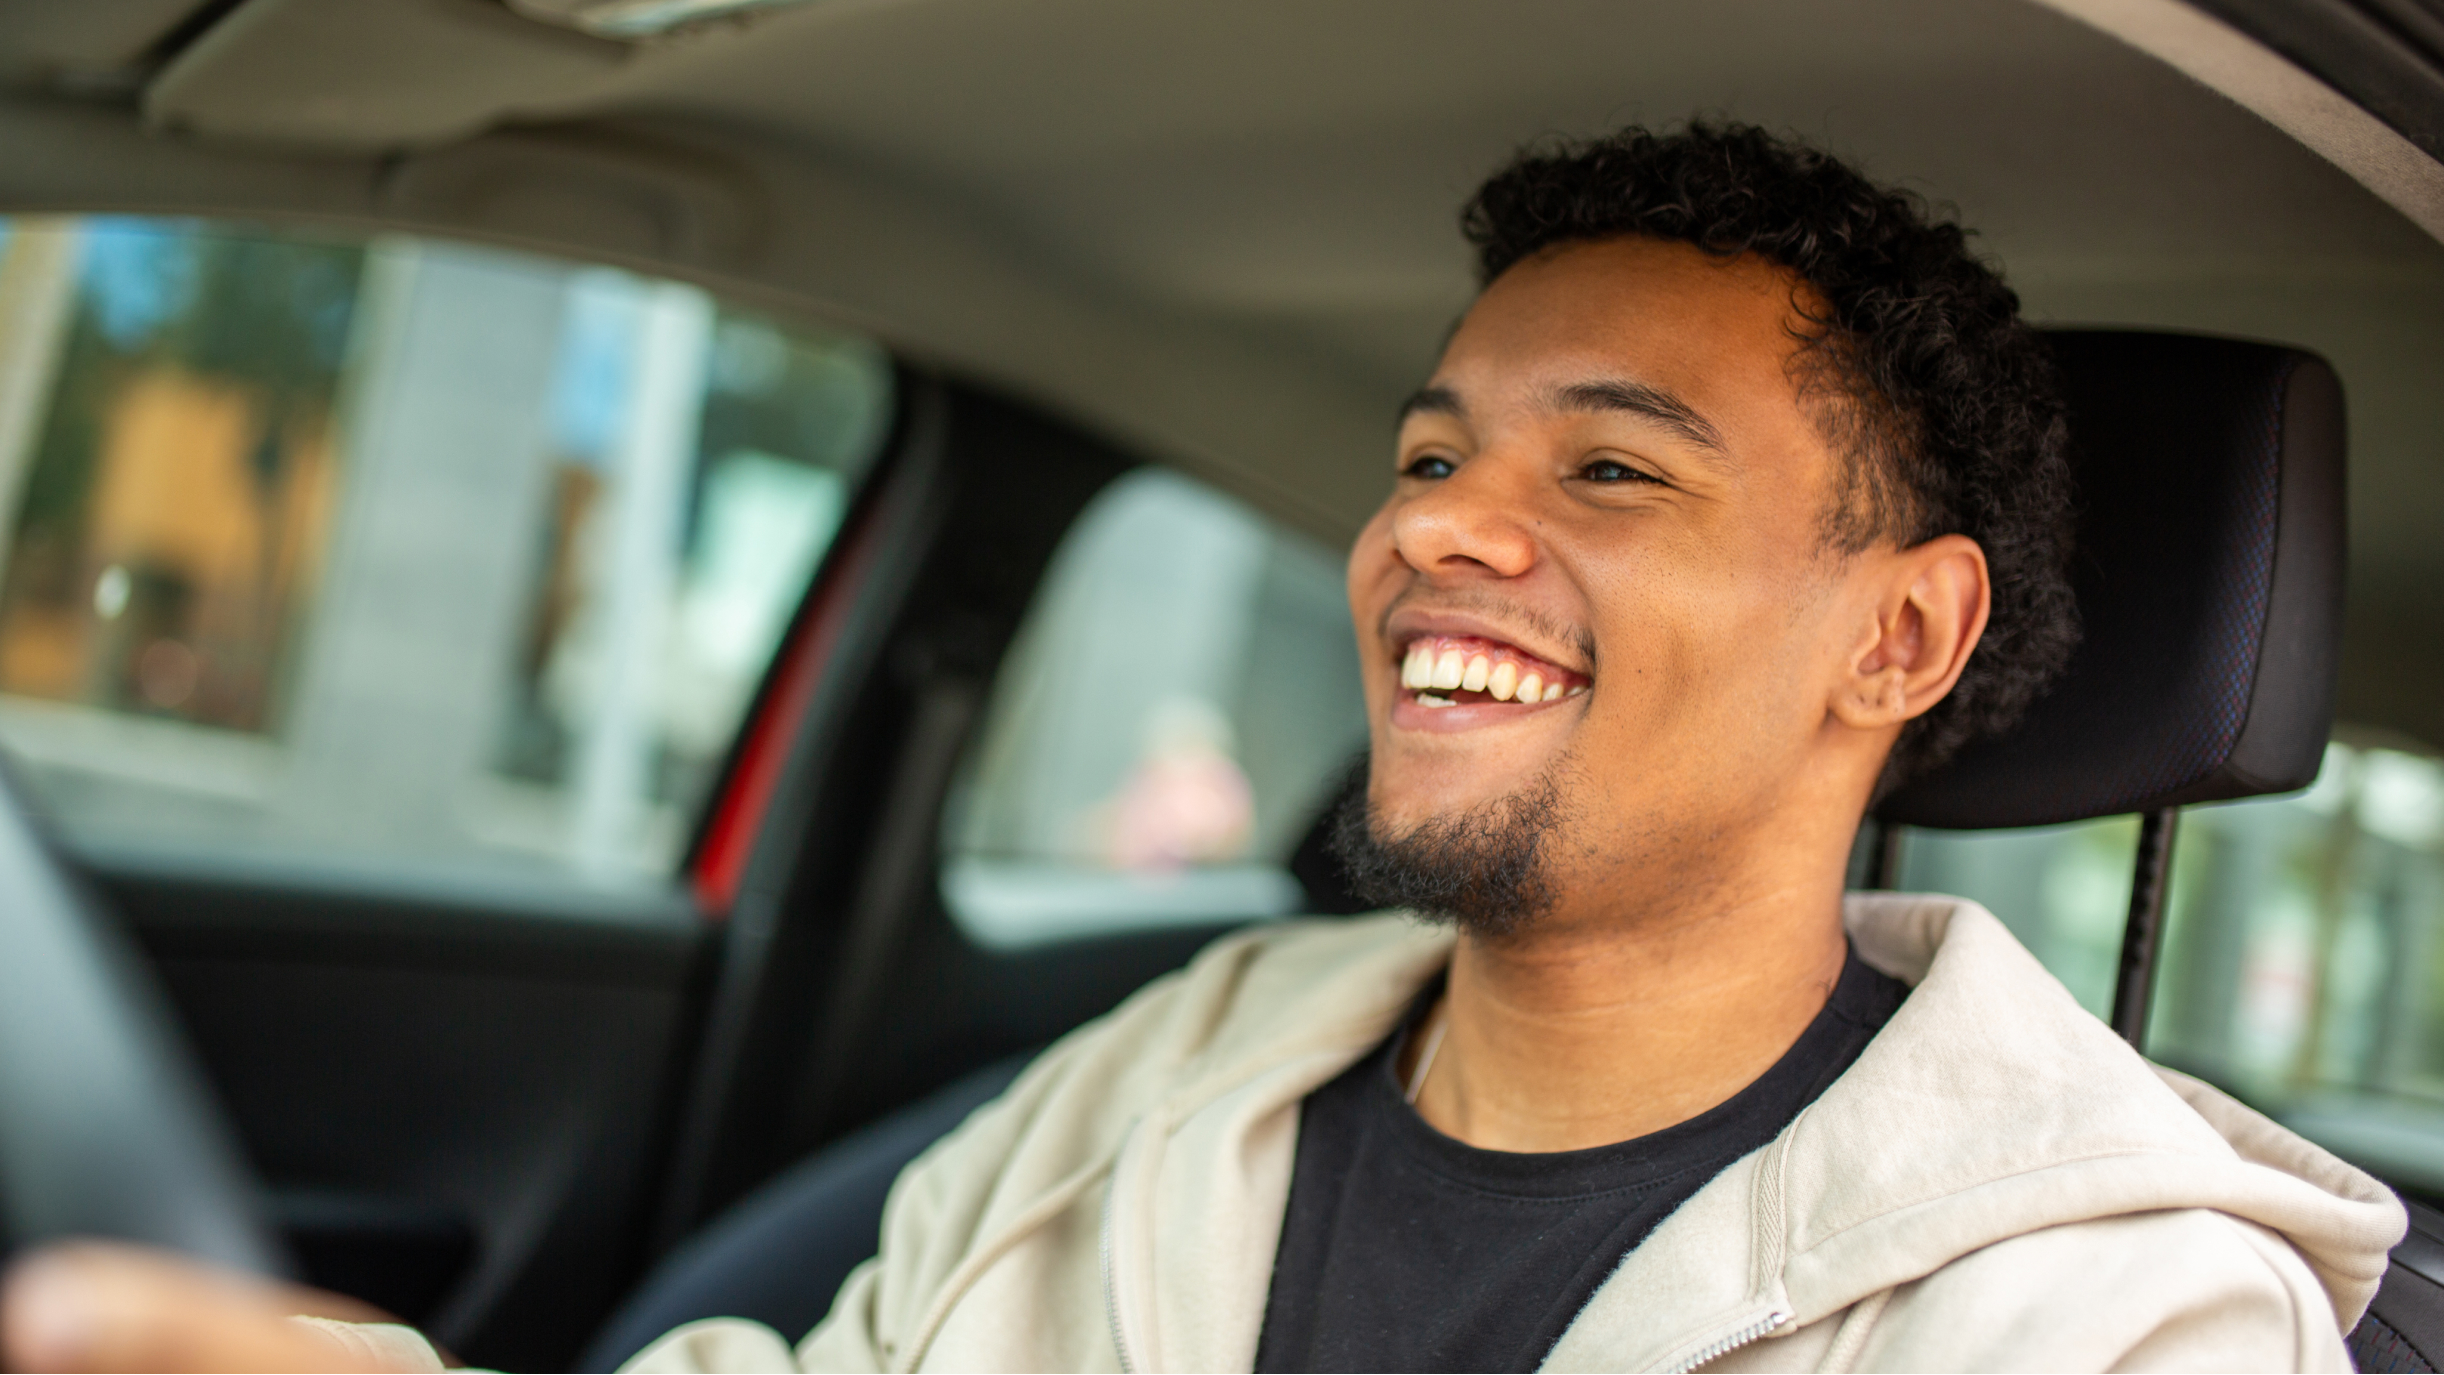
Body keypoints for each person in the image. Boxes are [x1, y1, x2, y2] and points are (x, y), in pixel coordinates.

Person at [0, 122, 2406, 1375]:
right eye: (1433, 451)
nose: (1444, 532)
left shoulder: (2109, 1310)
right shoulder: (1171, 1079)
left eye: (1608, 470)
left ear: (1897, 635)